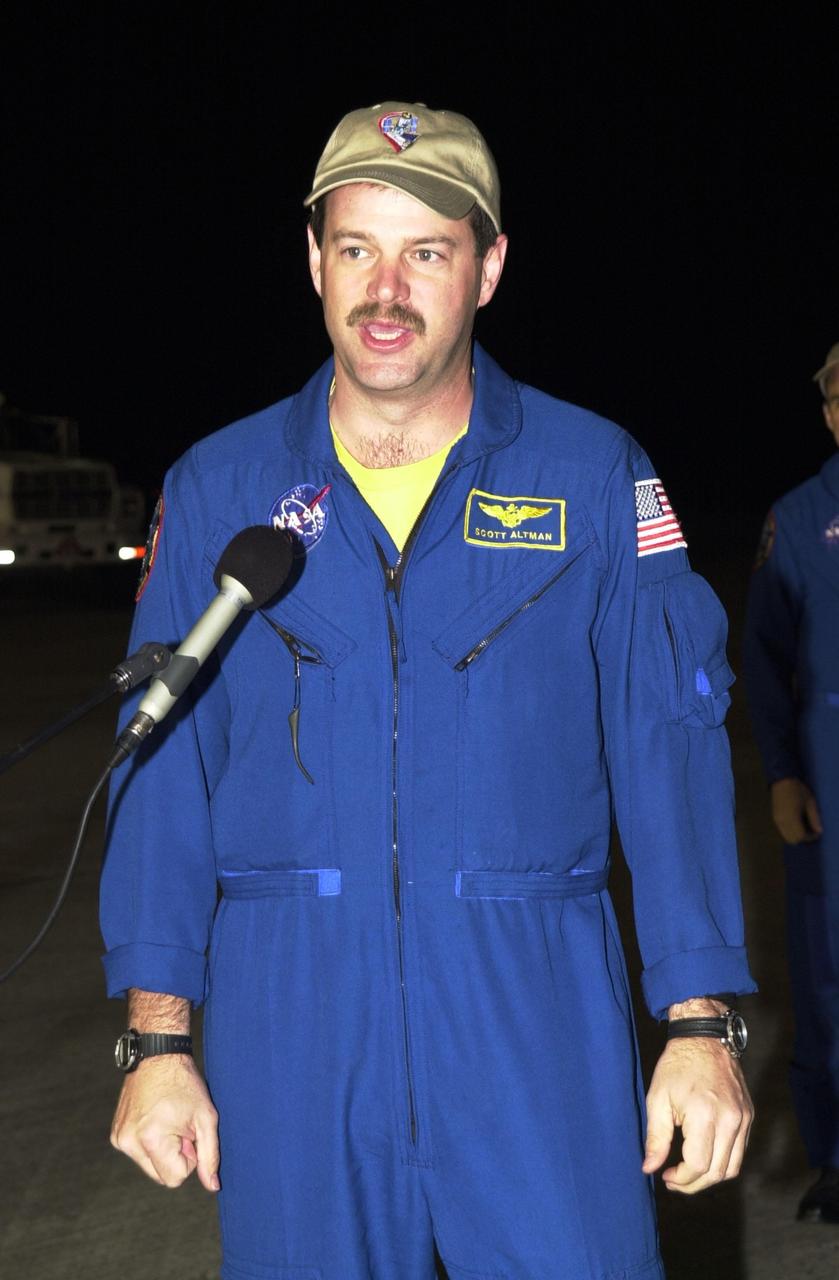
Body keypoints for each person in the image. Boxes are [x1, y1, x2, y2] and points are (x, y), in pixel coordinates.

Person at [102, 102, 756, 1280]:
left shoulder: (589, 471)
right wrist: (157, 1036)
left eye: (426, 253)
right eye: (355, 248)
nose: (384, 290)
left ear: (488, 267)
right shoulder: (221, 483)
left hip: (532, 1005)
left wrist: (698, 1023)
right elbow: (163, 772)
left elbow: (668, 747)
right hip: (290, 1014)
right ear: (312, 260)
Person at [743, 341, 839, 1224]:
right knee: (824, 974)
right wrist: (780, 774)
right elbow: (765, 662)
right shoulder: (800, 518)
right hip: (828, 772)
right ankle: (835, 1158)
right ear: (827, 411)